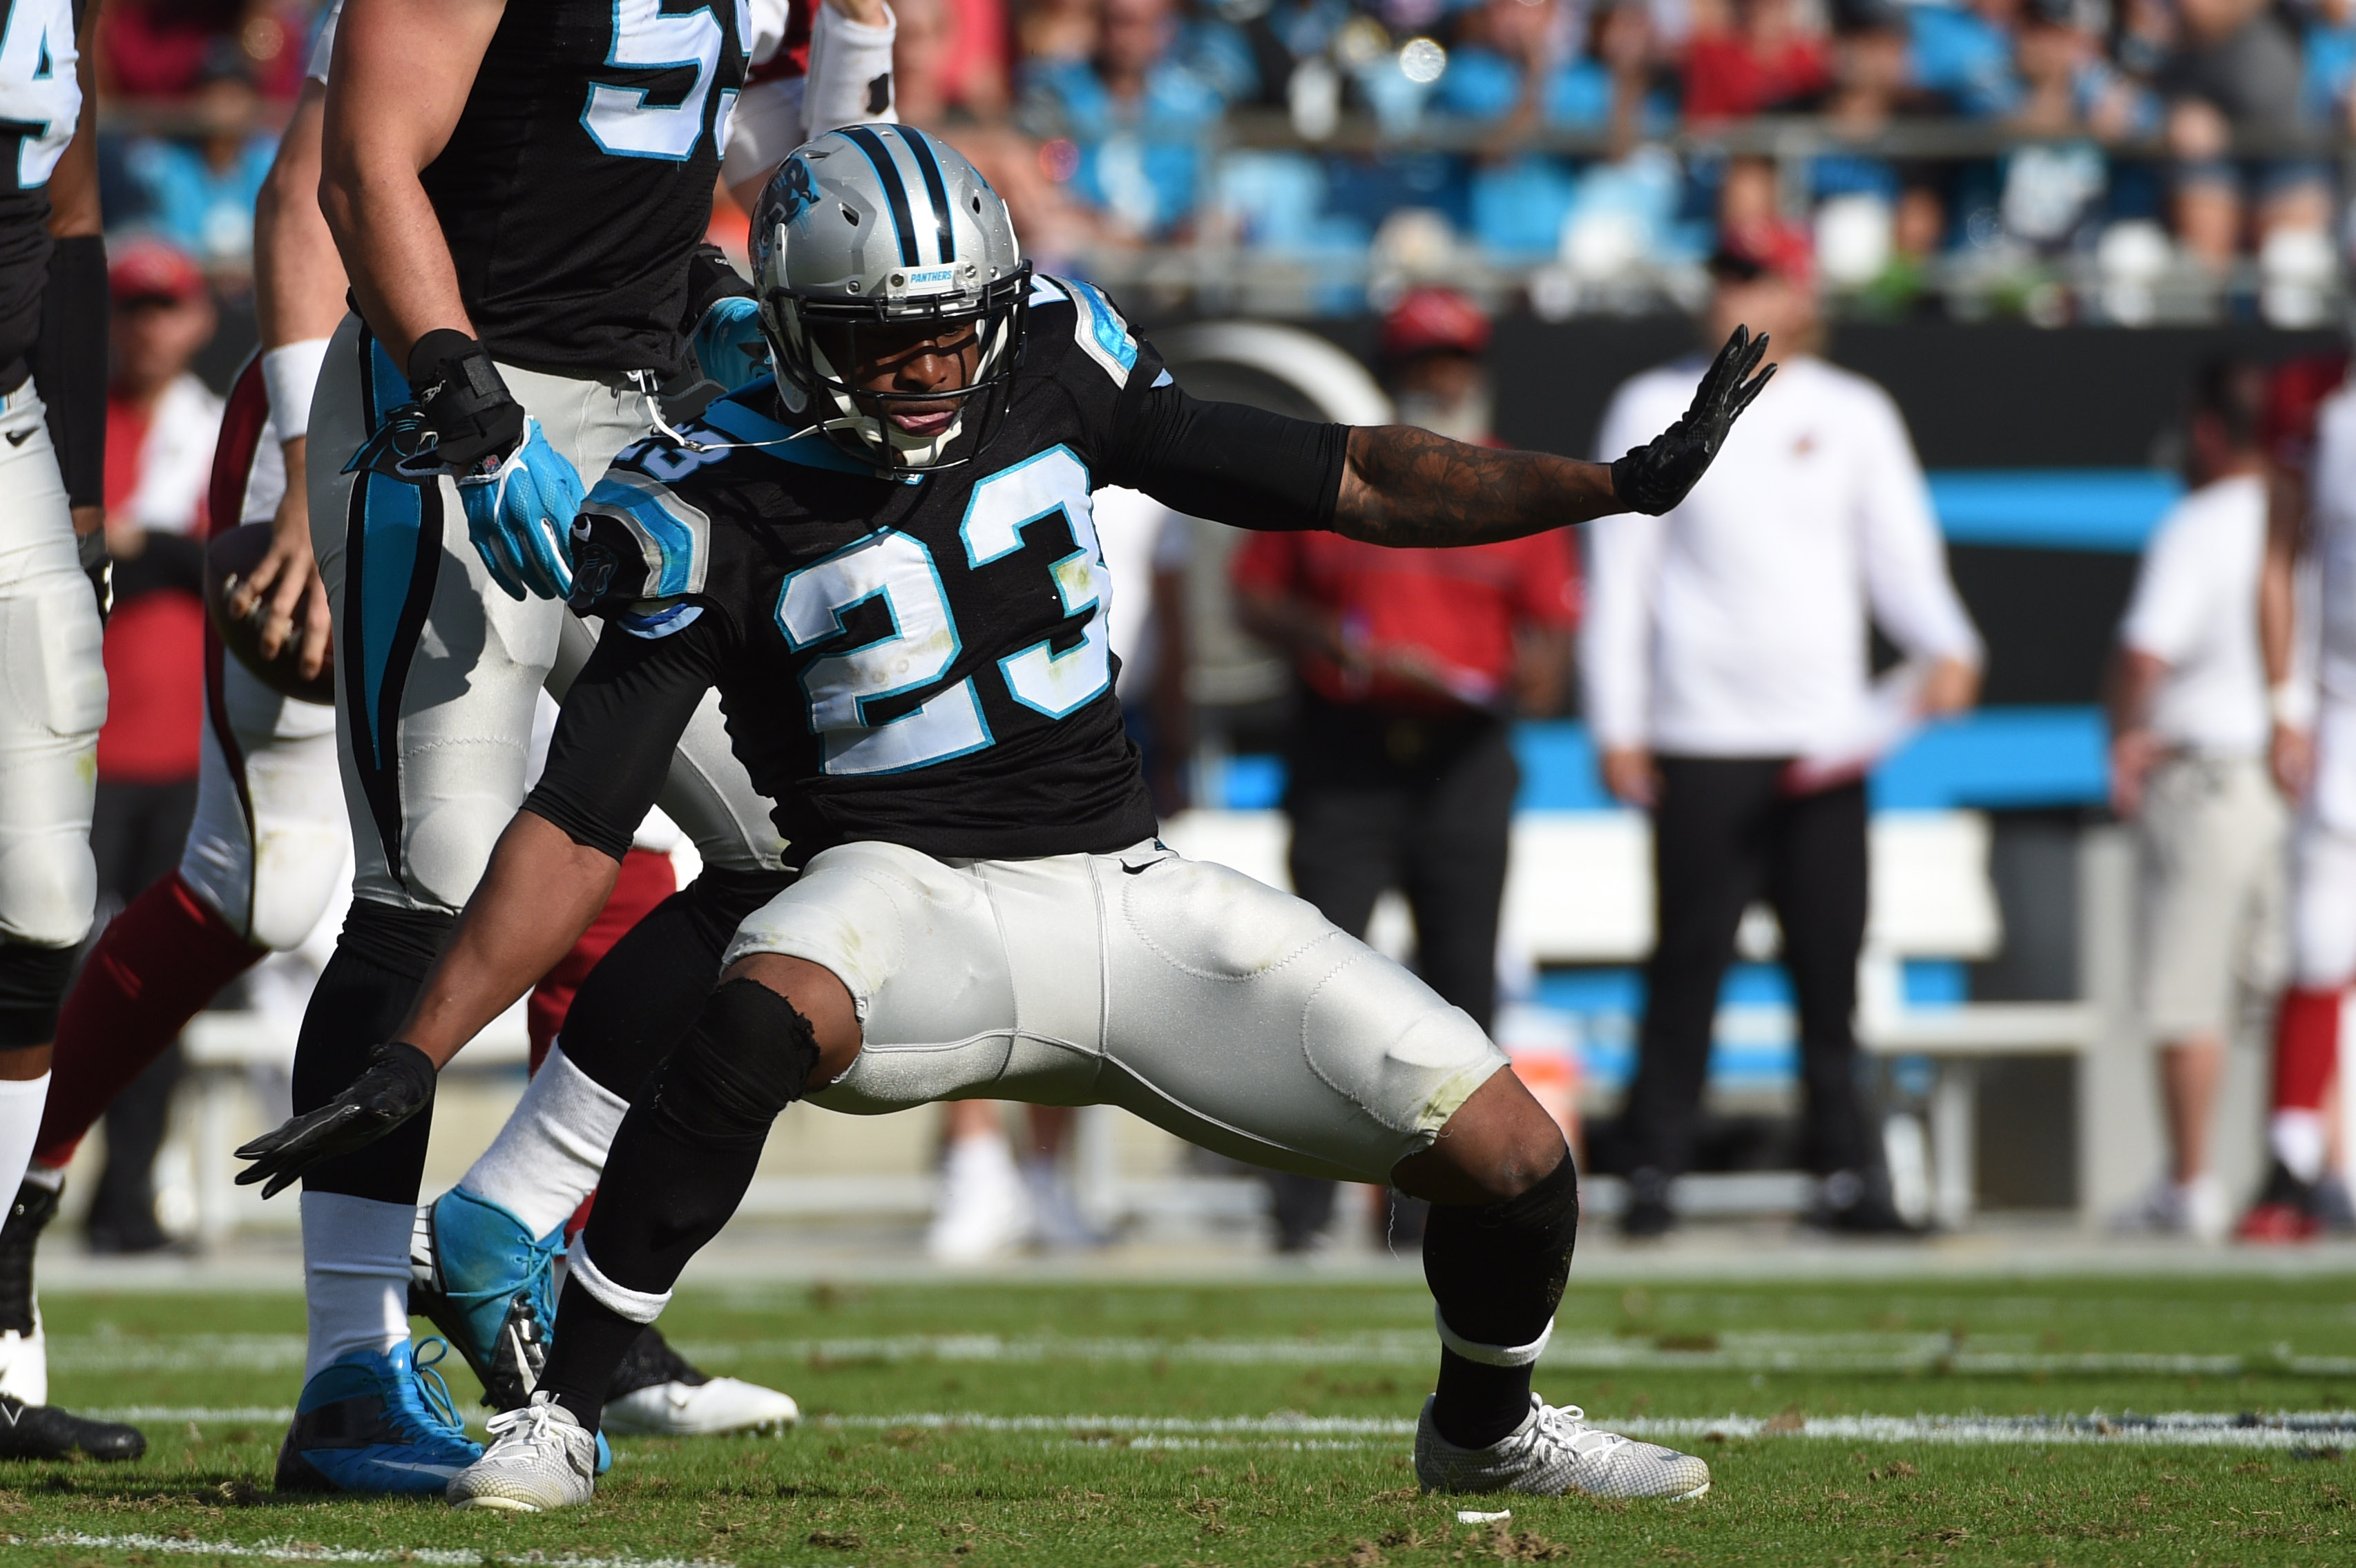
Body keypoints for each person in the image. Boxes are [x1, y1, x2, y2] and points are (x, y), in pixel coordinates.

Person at [231, 123, 1773, 1511]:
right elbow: (581, 819)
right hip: (904, 900)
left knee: (1512, 1151)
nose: (928, 367)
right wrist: (416, 1050)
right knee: (769, 993)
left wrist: (1605, 486)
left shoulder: (1054, 361)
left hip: (1129, 884)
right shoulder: (703, 496)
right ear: (791, 328)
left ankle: (1485, 1428)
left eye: (952, 328)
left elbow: (1339, 471)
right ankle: (565, 1402)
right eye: (883, 340)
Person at [1582, 231, 1982, 1240]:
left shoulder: (1851, 414)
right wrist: (1616, 723)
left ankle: (1846, 1173)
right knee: (1686, 961)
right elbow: (1618, 583)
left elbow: (1899, 560)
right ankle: (1651, 1168)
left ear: (1801, 293)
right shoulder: (1645, 403)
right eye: (1724, 274)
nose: (1735, 293)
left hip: (1821, 739)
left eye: (1756, 275)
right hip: (1698, 733)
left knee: (1825, 963)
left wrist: (1946, 645)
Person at [1230, 287, 1578, 1253]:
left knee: (1462, 989)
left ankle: (1448, 1210)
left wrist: (1506, 677)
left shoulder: (1517, 483)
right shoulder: (1337, 476)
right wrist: (1340, 642)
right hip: (1346, 750)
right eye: (1423, 362)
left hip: (1462, 757)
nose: (1440, 379)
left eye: (1454, 361)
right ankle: (1300, 1208)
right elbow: (1257, 599)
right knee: (1321, 987)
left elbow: (1548, 649)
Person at [0, 0, 149, 1462]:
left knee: (43, 892)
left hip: (11, 440)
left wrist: (88, 494)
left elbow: (74, 204)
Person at [2105, 358, 2286, 1244]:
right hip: (2303, 777)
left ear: (2211, 428)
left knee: (2190, 993)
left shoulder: (2203, 522)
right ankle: (2310, 1169)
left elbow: (2146, 653)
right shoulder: (2306, 511)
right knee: (2304, 983)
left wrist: (2123, 737)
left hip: (2210, 774)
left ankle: (2192, 1180)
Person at [86, 239, 223, 1254]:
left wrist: (142, 547)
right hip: (78, 748)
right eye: (131, 307)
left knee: (150, 990)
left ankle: (124, 1195)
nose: (146, 327)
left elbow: (232, 559)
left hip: (177, 755)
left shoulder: (213, 431)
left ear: (197, 319)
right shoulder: (76, 424)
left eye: (162, 306)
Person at [2248, 350, 2356, 1241]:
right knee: (2319, 940)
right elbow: (2280, 555)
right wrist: (2284, 700)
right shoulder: (2316, 399)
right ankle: (2292, 1156)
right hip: (2341, 705)